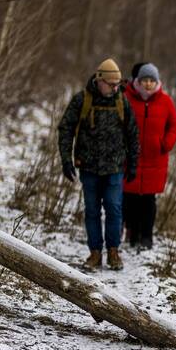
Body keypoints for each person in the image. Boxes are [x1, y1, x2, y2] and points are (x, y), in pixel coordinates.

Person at [57, 58, 140, 271]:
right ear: (99, 79)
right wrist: (66, 160)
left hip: (114, 168)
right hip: (88, 167)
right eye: (111, 84)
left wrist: (132, 163)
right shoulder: (82, 100)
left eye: (117, 84)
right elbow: (65, 128)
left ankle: (113, 251)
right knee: (92, 210)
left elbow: (133, 134)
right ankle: (95, 253)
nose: (115, 88)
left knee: (114, 208)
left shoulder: (122, 102)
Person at [122, 62, 176, 250]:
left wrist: (166, 144)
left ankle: (146, 237)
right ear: (138, 81)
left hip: (155, 159)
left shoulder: (165, 100)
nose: (148, 84)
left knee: (148, 201)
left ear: (156, 82)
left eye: (151, 80)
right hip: (130, 158)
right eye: (144, 80)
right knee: (129, 199)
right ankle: (132, 233)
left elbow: (175, 125)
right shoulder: (126, 98)